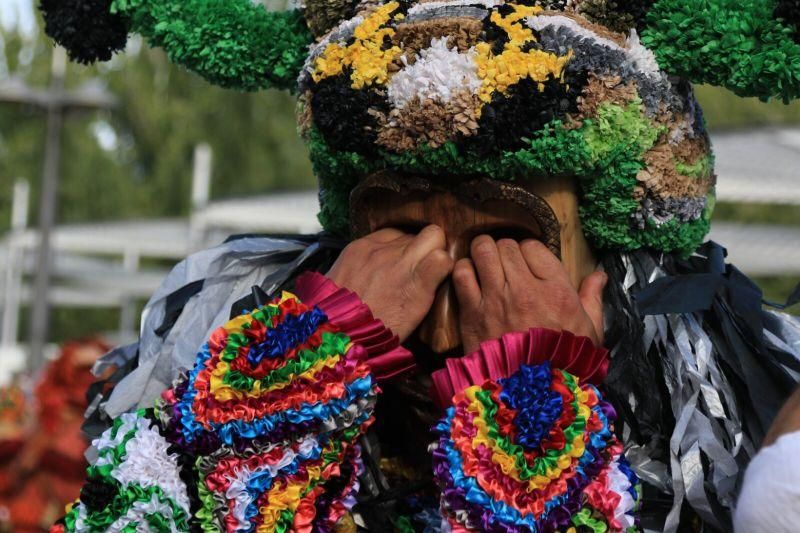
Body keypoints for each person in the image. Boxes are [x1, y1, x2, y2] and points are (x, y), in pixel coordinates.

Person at [41, 0, 800, 531]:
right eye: (395, 233)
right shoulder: (283, 381)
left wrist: (529, 410)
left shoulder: (731, 465)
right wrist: (297, 375)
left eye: (505, 248)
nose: (436, 317)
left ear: (618, 268)